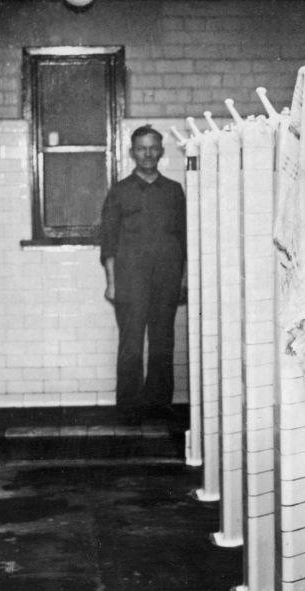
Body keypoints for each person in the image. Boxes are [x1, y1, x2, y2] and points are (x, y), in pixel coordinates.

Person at [100, 125, 187, 423]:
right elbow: (108, 240)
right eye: (141, 148)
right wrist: (111, 283)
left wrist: (183, 279)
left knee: (163, 341)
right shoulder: (119, 191)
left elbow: (183, 238)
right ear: (132, 152)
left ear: (161, 151)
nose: (147, 153)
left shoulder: (174, 191)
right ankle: (128, 409)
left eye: (153, 148)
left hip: (167, 278)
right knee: (132, 344)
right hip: (129, 279)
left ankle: (158, 405)